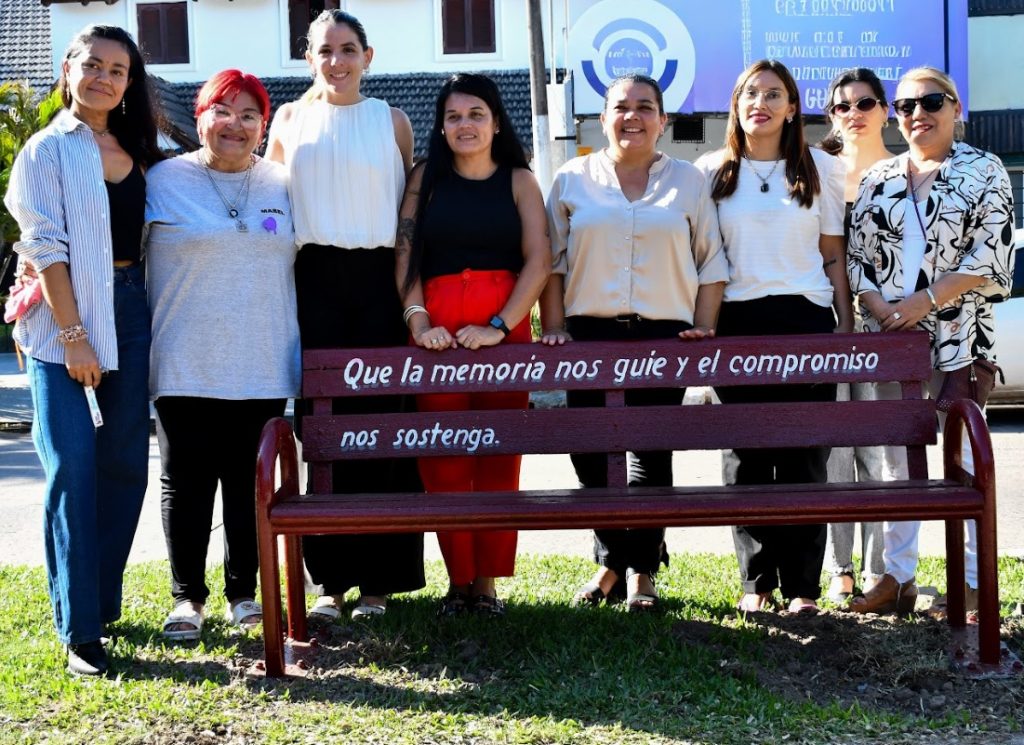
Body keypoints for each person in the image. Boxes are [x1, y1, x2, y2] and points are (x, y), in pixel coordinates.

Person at [3, 25, 163, 675]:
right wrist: (73, 337)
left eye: (117, 69)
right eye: (92, 64)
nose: (103, 77)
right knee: (73, 468)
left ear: (129, 83)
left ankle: (101, 602)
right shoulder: (45, 150)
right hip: (60, 321)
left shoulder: (143, 150)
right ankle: (79, 631)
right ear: (68, 69)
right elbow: (45, 250)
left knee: (125, 465)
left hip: (130, 307)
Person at [541, 74, 728, 613]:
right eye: (621, 107)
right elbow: (552, 263)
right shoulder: (572, 178)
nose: (633, 117)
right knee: (589, 451)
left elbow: (710, 261)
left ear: (662, 121)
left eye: (646, 107)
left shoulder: (689, 182)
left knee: (649, 451)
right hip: (588, 335)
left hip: (661, 335)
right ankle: (614, 559)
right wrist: (554, 328)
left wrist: (702, 328)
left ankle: (637, 572)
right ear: (602, 119)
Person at [266, 9, 424, 621]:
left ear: (368, 55)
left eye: (348, 49)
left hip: (379, 282)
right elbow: (271, 206)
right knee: (324, 437)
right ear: (309, 58)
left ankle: (380, 582)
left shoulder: (394, 121)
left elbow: (406, 219)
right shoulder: (288, 119)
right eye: (325, 50)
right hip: (314, 284)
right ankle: (330, 583)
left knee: (384, 432)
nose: (337, 61)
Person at [847, 67, 1015, 615]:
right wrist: (880, 307)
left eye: (931, 101)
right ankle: (898, 577)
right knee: (898, 460)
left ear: (956, 107)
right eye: (905, 105)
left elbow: (990, 256)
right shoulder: (878, 178)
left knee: (962, 458)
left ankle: (967, 582)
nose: (918, 113)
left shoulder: (983, 168)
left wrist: (924, 301)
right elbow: (857, 260)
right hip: (893, 342)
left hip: (959, 336)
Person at [146, 70, 300, 640]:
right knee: (184, 483)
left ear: (263, 125)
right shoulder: (162, 180)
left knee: (248, 484)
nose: (234, 124)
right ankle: (187, 598)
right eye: (222, 111)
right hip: (184, 359)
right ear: (201, 116)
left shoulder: (284, 183)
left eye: (248, 114)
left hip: (262, 359)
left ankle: (244, 595)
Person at [695, 60, 853, 615]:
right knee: (747, 457)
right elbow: (704, 259)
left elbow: (833, 253)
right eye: (749, 94)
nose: (760, 102)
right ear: (736, 106)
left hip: (806, 320)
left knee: (806, 454)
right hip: (738, 321)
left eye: (773, 94)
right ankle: (756, 583)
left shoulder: (822, 170)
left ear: (792, 108)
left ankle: (804, 588)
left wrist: (845, 326)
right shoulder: (711, 171)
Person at [394, 73, 550, 616]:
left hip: (502, 337)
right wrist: (417, 321)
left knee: (497, 459)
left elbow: (539, 260)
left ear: (496, 123)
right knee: (443, 460)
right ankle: (457, 582)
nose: (466, 125)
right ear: (441, 125)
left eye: (476, 114)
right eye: (455, 116)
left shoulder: (520, 181)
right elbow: (406, 256)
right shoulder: (424, 179)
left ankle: (485, 584)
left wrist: (501, 325)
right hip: (434, 339)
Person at [817, 68, 895, 604]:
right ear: (831, 116)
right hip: (829, 327)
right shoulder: (818, 171)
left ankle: (880, 569)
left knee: (882, 453)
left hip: (889, 327)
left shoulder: (904, 171)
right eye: (843, 106)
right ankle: (839, 567)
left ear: (885, 110)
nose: (854, 113)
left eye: (865, 102)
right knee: (836, 451)